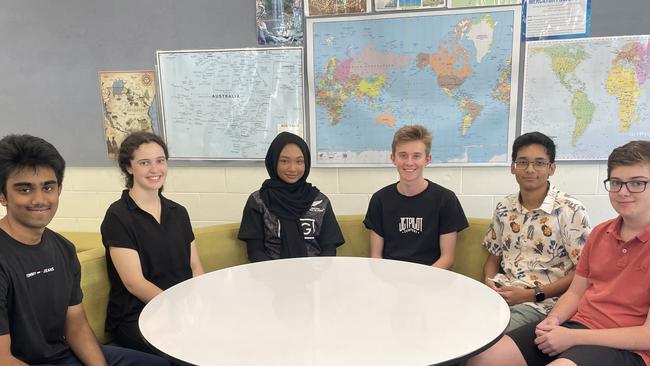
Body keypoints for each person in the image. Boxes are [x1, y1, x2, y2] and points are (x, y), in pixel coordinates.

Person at [467, 140, 650, 366]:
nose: (623, 192)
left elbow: (646, 336)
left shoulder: (570, 210)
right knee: (484, 357)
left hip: (626, 347)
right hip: (577, 324)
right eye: (616, 183)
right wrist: (552, 322)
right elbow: (575, 293)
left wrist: (572, 337)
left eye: (637, 183)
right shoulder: (601, 233)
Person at [0, 134, 170, 365]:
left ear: (59, 189)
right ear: (3, 196)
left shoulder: (63, 249)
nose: (39, 199)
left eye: (48, 187)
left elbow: (76, 326)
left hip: (61, 354)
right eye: (24, 189)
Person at [101, 131, 204, 354]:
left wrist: (199, 303)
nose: (155, 169)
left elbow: (195, 267)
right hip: (139, 315)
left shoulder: (178, 212)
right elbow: (134, 283)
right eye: (144, 163)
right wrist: (177, 309)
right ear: (129, 168)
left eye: (160, 161)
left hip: (181, 309)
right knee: (191, 349)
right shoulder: (118, 216)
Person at [482, 132, 591, 332]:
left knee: (485, 338)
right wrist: (489, 286)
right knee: (453, 325)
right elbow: (492, 260)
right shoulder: (504, 207)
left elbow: (583, 273)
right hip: (500, 296)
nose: (530, 169)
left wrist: (530, 294)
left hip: (542, 304)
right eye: (522, 162)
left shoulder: (570, 210)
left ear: (552, 168)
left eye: (539, 163)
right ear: (513, 168)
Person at [364, 124, 468, 268]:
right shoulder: (379, 200)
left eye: (417, 156)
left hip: (431, 278)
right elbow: (376, 256)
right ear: (393, 158)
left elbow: (447, 258)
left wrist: (419, 282)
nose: (409, 162)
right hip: (390, 278)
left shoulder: (446, 199)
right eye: (403, 155)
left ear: (427, 159)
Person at [238, 131, 345, 261]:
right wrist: (276, 277)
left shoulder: (320, 200)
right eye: (284, 161)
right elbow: (255, 251)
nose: (292, 168)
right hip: (271, 275)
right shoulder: (258, 201)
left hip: (315, 274)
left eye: (299, 161)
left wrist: (317, 275)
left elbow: (329, 247)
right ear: (273, 161)